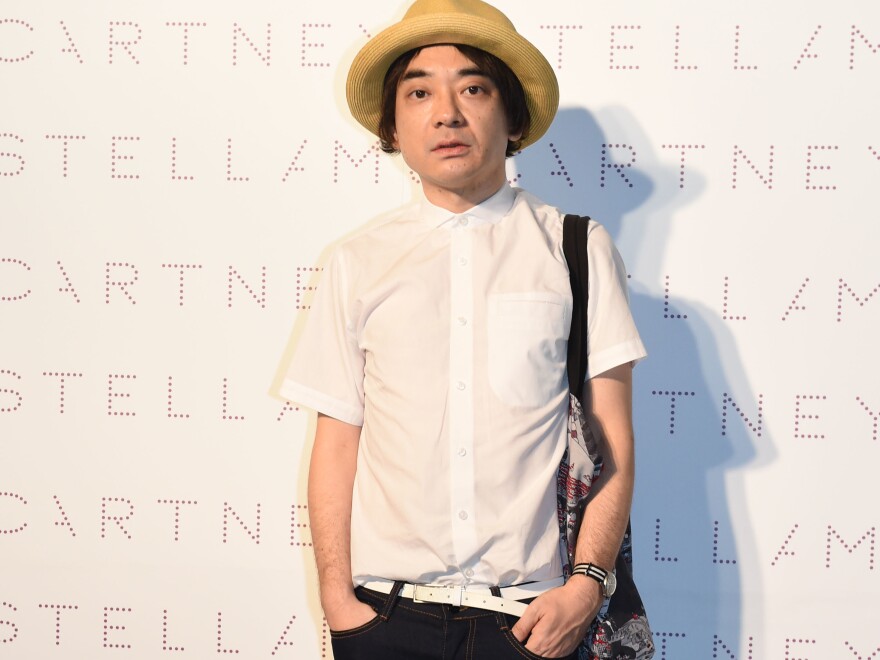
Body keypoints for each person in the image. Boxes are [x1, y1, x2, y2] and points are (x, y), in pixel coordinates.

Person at [280, 0, 646, 657]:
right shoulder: (356, 262)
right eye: (418, 92)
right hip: (384, 618)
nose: (446, 112)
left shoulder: (577, 249)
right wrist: (339, 602)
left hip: (535, 623)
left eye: (473, 88)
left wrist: (589, 583)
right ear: (395, 126)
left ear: (513, 117)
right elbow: (336, 444)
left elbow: (611, 436)